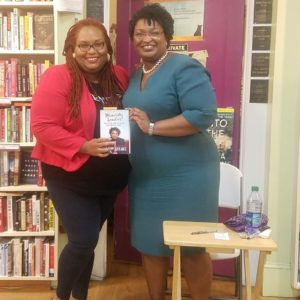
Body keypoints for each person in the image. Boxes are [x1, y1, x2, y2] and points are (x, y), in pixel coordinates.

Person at [123, 4, 220, 300]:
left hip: (187, 176)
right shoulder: (136, 73)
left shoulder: (184, 66)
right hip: (146, 176)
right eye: (140, 33)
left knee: (190, 247)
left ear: (167, 35)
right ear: (133, 38)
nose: (147, 38)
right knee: (149, 244)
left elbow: (203, 114)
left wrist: (152, 127)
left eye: (154, 31)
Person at [30, 18, 130, 300]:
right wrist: (83, 145)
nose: (92, 51)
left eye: (98, 44)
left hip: (110, 180)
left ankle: (80, 296)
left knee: (88, 243)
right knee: (83, 240)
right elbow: (42, 126)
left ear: (107, 47)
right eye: (83, 45)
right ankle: (60, 297)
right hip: (70, 176)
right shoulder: (58, 77)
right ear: (71, 49)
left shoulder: (119, 75)